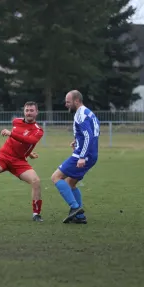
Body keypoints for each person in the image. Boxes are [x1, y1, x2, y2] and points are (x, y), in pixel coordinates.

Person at [0, 101, 44, 222]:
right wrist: (29, 152)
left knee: (36, 181)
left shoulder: (38, 130)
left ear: (36, 112)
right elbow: (20, 139)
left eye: (32, 110)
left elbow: (29, 140)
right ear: (24, 111)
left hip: (19, 162)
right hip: (4, 156)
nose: (29, 113)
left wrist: (12, 134)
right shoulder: (16, 121)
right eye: (27, 110)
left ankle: (36, 214)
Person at [51, 90, 99, 224]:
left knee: (56, 177)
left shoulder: (80, 114)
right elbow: (93, 132)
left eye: (68, 102)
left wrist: (82, 156)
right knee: (70, 183)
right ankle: (79, 217)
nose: (66, 104)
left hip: (84, 155)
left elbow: (89, 136)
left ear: (76, 101)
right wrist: (77, 141)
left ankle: (75, 208)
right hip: (92, 154)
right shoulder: (89, 112)